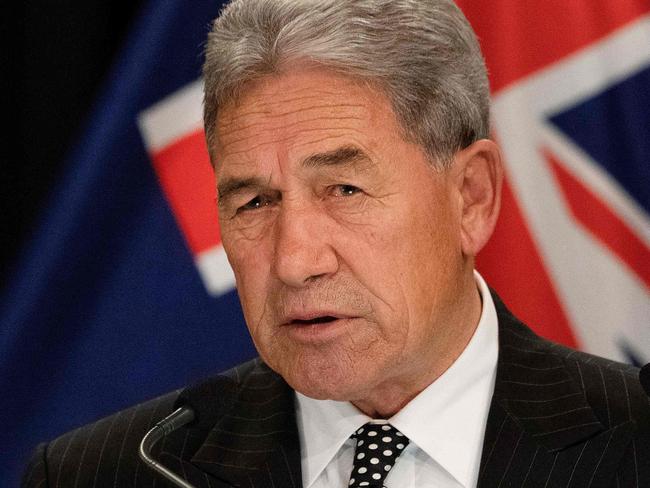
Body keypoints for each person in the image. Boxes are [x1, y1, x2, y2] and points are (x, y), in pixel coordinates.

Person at [22, 1, 650, 487]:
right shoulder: (101, 473)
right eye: (255, 202)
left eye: (344, 189)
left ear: (472, 196)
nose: (295, 261)